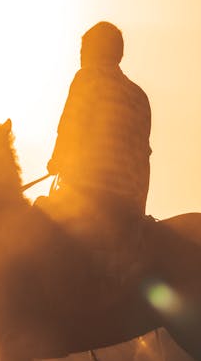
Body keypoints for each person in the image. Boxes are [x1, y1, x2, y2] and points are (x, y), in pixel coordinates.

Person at [46, 21, 152, 275]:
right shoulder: (139, 96)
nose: (80, 58)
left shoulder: (87, 78)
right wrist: (138, 210)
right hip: (128, 205)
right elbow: (143, 161)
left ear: (93, 51)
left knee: (36, 230)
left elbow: (70, 127)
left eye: (83, 51)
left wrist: (56, 161)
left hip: (88, 195)